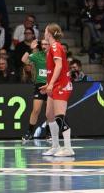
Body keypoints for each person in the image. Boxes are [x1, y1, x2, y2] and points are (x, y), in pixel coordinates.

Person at [41, 24, 74, 158]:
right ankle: (55, 146)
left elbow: (59, 66)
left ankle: (68, 148)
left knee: (59, 117)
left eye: (45, 30)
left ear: (49, 33)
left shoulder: (55, 46)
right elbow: (52, 69)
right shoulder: (51, 49)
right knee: (49, 115)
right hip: (55, 85)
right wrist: (48, 84)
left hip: (62, 85)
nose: (44, 33)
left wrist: (52, 84)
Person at [21, 38, 49, 143]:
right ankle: (29, 132)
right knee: (36, 110)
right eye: (43, 44)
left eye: (46, 44)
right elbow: (24, 60)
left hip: (51, 85)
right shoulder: (38, 55)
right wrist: (30, 48)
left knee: (49, 112)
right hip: (40, 85)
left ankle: (49, 132)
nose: (44, 46)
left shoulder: (53, 56)